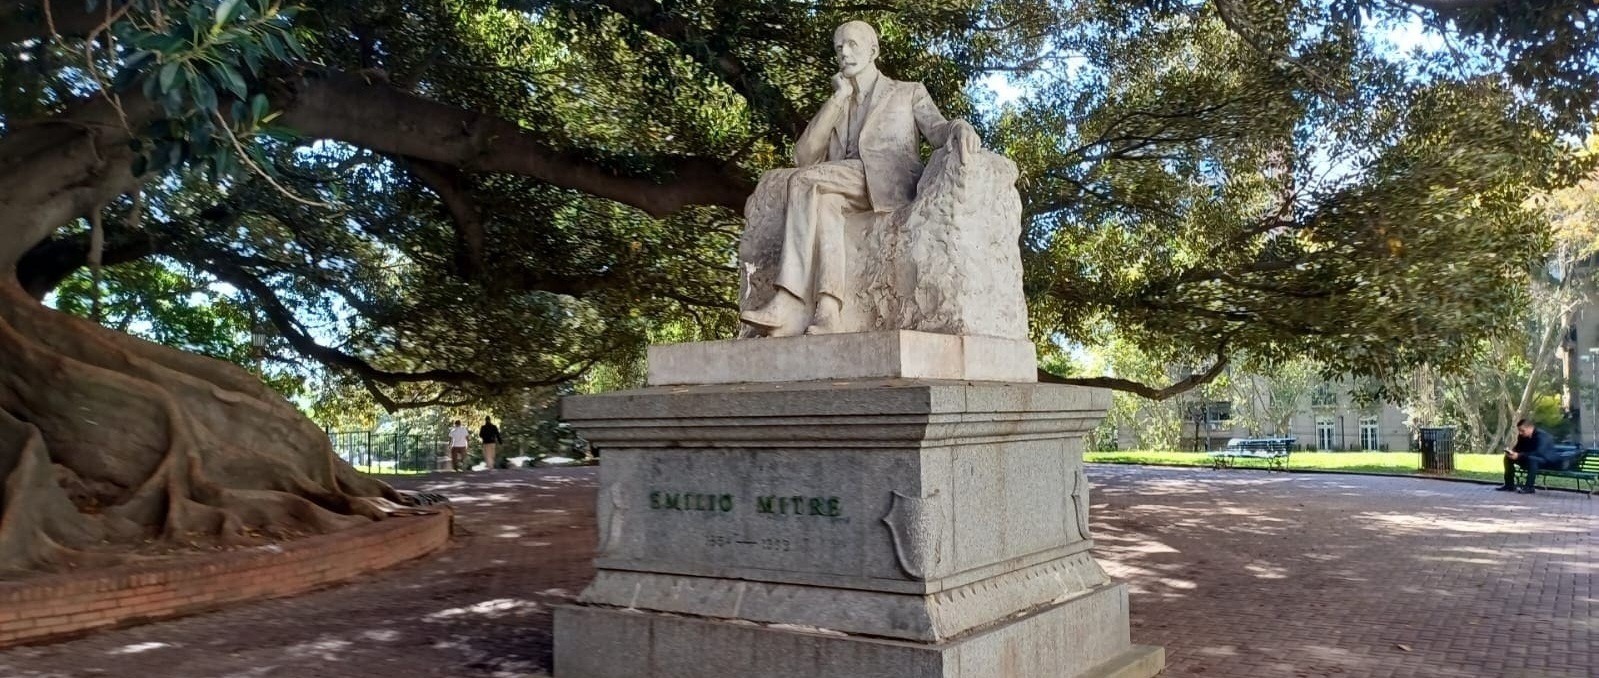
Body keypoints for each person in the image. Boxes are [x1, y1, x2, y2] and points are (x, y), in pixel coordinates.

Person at [738, 20, 981, 337]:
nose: (844, 52)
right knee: (824, 203)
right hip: (845, 182)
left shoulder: (907, 92)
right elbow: (804, 157)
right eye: (839, 47)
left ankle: (786, 298)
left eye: (852, 44)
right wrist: (837, 99)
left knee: (802, 182)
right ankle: (827, 311)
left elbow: (938, 129)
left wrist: (960, 126)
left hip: (889, 180)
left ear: (873, 50)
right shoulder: (839, 100)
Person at [1498, 419, 1556, 494]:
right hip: (1528, 458)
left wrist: (1519, 455)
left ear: (1530, 428)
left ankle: (1529, 487)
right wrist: (1512, 453)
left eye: (1522, 430)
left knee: (1533, 460)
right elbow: (1519, 447)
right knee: (1508, 458)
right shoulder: (1522, 436)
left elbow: (1539, 453)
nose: (1520, 433)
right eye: (1519, 430)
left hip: (1544, 461)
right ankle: (1509, 485)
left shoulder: (1542, 436)